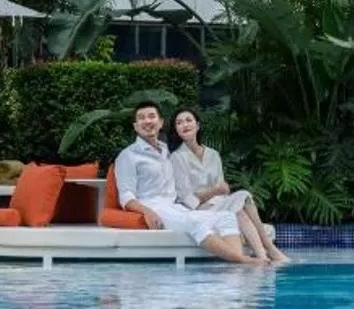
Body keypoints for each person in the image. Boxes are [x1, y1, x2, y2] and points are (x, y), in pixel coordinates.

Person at [115, 101, 277, 266]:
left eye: (151, 116)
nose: (147, 121)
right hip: (154, 206)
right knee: (194, 224)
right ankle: (244, 260)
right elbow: (126, 196)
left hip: (175, 206)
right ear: (136, 126)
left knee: (226, 217)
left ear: (161, 122)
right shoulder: (128, 156)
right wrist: (148, 212)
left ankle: (235, 270)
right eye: (141, 118)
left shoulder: (165, 150)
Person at [169, 108, 289, 265]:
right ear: (177, 130)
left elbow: (222, 190)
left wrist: (219, 193)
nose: (184, 124)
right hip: (197, 210)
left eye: (188, 120)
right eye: (179, 123)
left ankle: (263, 256)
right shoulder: (176, 158)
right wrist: (214, 191)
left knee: (241, 206)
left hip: (218, 203)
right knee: (240, 203)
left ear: (197, 125)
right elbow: (187, 200)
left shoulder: (213, 154)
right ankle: (269, 250)